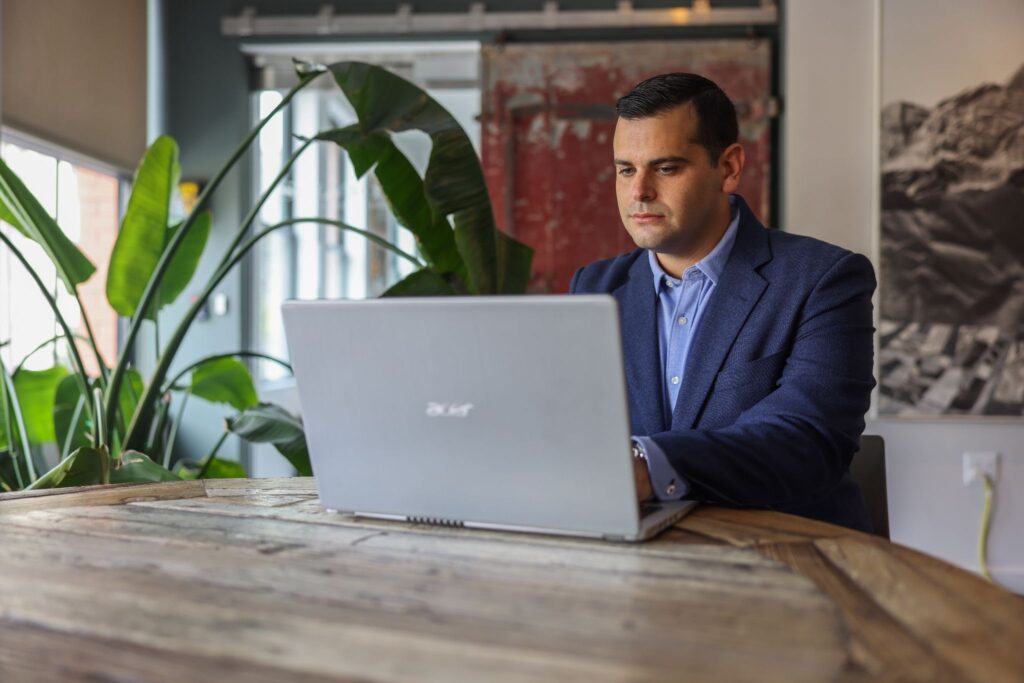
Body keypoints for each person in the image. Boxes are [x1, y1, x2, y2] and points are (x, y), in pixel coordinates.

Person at [570, 73, 876, 531]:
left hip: (787, 561)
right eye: (626, 169)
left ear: (729, 168)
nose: (639, 193)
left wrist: (647, 464)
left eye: (666, 168)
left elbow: (808, 441)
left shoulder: (825, 280)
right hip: (631, 558)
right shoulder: (594, 287)